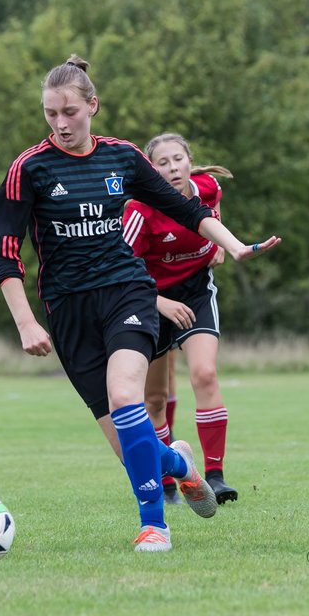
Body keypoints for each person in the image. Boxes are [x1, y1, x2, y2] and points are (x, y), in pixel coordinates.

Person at [0, 54, 280, 552]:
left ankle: (154, 527)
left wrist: (231, 245)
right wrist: (25, 323)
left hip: (128, 293)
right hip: (68, 312)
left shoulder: (121, 157)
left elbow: (186, 208)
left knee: (127, 397)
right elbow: (5, 254)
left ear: (92, 107)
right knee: (133, 452)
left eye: (70, 112)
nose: (61, 123)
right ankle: (179, 463)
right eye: (50, 114)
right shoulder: (29, 169)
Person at [124, 132, 236, 505]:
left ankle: (216, 477)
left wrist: (219, 243)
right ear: (150, 169)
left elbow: (215, 215)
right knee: (154, 399)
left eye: (178, 159)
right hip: (149, 299)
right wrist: (160, 303)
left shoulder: (208, 187)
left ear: (189, 160)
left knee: (204, 373)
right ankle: (170, 478)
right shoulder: (139, 211)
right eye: (162, 163)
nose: (172, 168)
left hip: (195, 292)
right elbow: (124, 272)